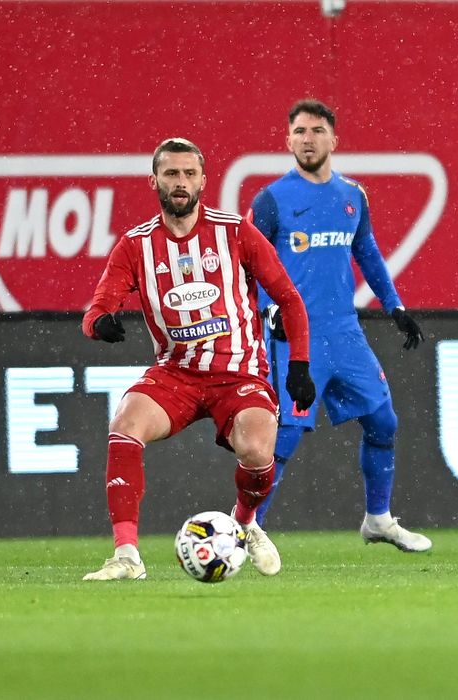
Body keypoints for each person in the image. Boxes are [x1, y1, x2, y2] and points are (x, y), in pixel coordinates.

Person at [82, 137, 316, 581]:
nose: (181, 182)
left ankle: (244, 525)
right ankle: (127, 556)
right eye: (171, 173)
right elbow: (96, 310)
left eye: (189, 173)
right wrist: (101, 324)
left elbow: (288, 298)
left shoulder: (235, 231)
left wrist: (299, 364)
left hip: (239, 372)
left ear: (204, 181)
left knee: (257, 448)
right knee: (125, 425)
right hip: (177, 373)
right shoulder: (135, 245)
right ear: (153, 181)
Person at [248, 99, 431, 552]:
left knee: (383, 422)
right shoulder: (271, 200)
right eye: (299, 131)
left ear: (334, 139)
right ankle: (247, 530)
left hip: (345, 333)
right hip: (294, 336)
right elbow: (245, 264)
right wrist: (267, 310)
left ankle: (378, 519)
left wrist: (394, 307)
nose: (308, 139)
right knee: (284, 434)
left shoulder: (353, 196)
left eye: (316, 130)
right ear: (287, 141)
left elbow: (366, 251)